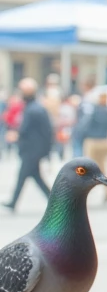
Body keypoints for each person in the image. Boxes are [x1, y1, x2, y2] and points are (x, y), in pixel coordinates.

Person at [4, 78, 53, 211]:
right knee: (36, 177)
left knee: (23, 176)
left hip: (32, 150)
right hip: (33, 149)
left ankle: (13, 202)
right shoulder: (35, 108)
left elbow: (26, 129)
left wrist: (16, 135)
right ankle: (54, 201)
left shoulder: (33, 109)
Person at [81, 91, 107, 202]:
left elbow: (85, 124)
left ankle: (84, 193)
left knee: (88, 168)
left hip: (92, 141)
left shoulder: (94, 110)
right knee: (104, 167)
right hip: (105, 141)